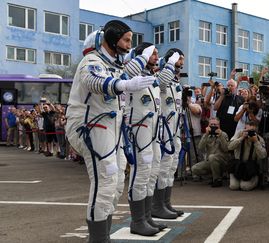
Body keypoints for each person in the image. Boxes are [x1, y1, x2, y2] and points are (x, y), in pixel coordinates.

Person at [65, 20, 155, 242]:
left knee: (115, 184)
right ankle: (98, 239)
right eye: (126, 40)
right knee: (105, 180)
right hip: (91, 125)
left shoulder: (116, 66)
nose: (128, 45)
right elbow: (94, 81)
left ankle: (103, 234)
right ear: (113, 39)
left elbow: (125, 74)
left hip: (111, 128)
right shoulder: (92, 61)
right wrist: (122, 85)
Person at [122, 42, 167, 235]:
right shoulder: (133, 73)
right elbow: (127, 72)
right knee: (141, 171)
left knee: (152, 169)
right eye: (153, 54)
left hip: (153, 130)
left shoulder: (152, 76)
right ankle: (137, 220)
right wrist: (142, 55)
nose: (157, 57)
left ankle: (147, 216)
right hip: (139, 128)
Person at [152, 48, 185, 220]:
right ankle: (157, 206)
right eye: (179, 60)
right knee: (164, 166)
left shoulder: (176, 82)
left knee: (171, 167)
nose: (182, 63)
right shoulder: (161, 78)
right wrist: (169, 64)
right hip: (163, 129)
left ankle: (165, 202)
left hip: (175, 129)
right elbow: (161, 85)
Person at [191, 117, 231, 187]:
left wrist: (220, 136)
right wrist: (206, 135)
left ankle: (217, 180)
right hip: (210, 161)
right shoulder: (206, 135)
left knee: (212, 157)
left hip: (223, 162)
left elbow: (226, 149)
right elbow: (200, 148)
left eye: (215, 125)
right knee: (194, 169)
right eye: (211, 124)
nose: (213, 126)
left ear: (219, 125)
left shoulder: (223, 134)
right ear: (208, 126)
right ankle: (212, 175)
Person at [228, 121, 267, 191]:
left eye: (252, 131)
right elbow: (229, 147)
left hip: (250, 168)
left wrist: (256, 142)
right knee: (234, 186)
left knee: (244, 187)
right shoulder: (239, 134)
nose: (249, 133)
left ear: (256, 132)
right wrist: (241, 138)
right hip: (238, 166)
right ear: (244, 129)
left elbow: (263, 155)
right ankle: (238, 180)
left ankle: (256, 179)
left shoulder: (259, 139)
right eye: (247, 130)